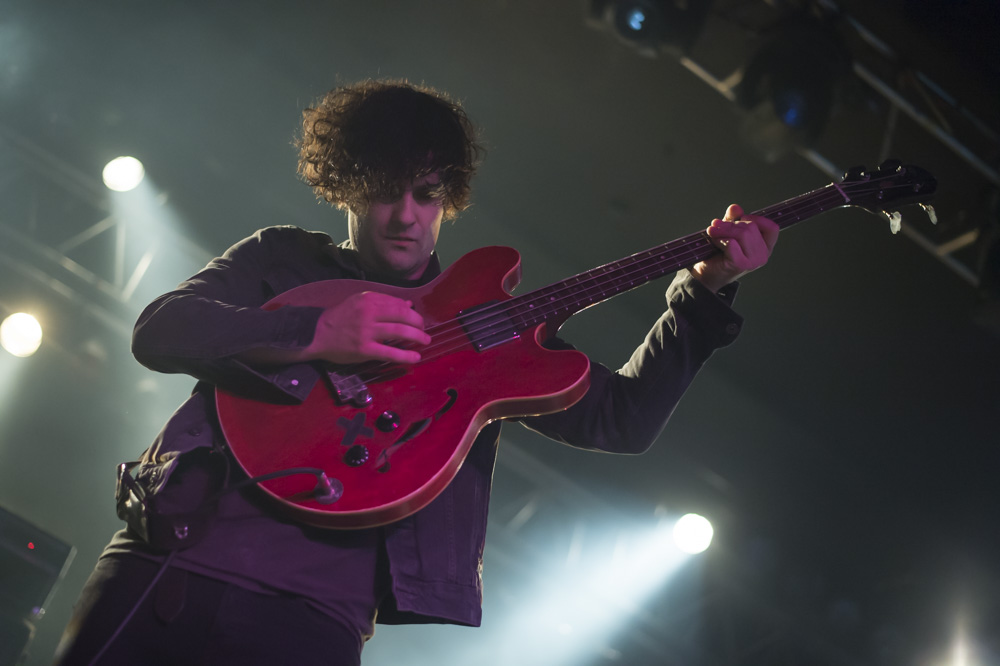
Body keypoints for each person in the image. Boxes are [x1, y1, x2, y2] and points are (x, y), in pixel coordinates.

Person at [53, 79, 778, 665]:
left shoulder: (485, 323)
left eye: (426, 195)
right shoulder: (282, 258)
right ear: (344, 187)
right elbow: (162, 330)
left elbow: (623, 420)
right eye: (384, 189)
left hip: (316, 623)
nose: (405, 215)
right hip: (177, 565)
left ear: (450, 199)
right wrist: (316, 331)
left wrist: (703, 292)